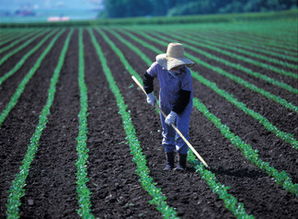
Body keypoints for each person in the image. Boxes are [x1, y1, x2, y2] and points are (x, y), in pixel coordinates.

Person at [143, 42, 194, 171]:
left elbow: (185, 96)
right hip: (165, 103)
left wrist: (174, 113)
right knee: (167, 132)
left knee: (182, 132)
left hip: (183, 105)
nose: (178, 67)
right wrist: (150, 94)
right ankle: (170, 163)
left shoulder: (186, 74)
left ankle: (181, 164)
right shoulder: (158, 66)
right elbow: (147, 77)